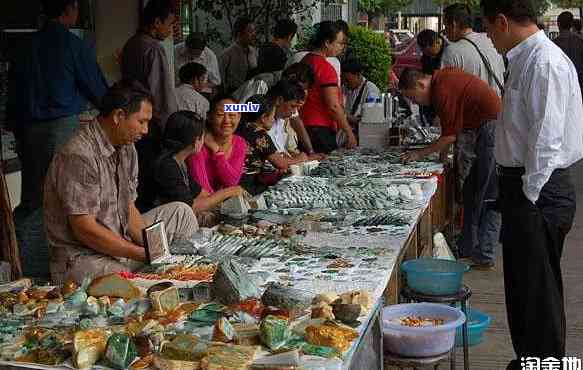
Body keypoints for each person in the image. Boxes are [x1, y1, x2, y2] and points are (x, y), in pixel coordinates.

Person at [481, 0, 583, 367]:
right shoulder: (524, 60)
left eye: (489, 29)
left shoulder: (544, 62)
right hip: (523, 187)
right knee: (522, 288)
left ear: (503, 22)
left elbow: (548, 139)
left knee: (539, 293)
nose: (489, 38)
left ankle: (544, 362)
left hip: (539, 190)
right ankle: (529, 360)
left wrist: (529, 195)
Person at [44, 82, 199, 285]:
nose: (145, 130)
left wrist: (157, 250)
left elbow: (128, 207)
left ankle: (161, 269)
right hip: (82, 257)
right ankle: (146, 275)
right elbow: (84, 229)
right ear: (118, 116)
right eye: (141, 122)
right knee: (132, 283)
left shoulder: (126, 147)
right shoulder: (79, 154)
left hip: (120, 240)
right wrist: (142, 254)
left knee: (182, 213)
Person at [7, 0, 108, 279]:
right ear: (70, 10)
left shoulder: (24, 46)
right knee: (62, 201)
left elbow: (11, 95)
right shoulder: (72, 45)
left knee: (31, 199)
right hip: (60, 127)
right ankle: (45, 272)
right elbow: (99, 91)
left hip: (26, 129)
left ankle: (21, 267)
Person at [399, 68, 501, 269]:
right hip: (483, 128)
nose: (416, 103)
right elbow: (450, 130)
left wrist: (419, 154)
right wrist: (441, 157)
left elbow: (449, 136)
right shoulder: (442, 81)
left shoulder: (442, 88)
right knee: (473, 190)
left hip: (491, 129)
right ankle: (469, 248)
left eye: (414, 97)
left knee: (486, 192)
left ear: (421, 84)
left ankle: (484, 253)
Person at [441, 2, 505, 268]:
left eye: (446, 25)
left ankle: (469, 245)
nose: (445, 31)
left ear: (455, 24)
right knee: (491, 189)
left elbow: (446, 95)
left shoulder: (453, 51)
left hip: (472, 129)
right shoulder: (491, 42)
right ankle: (484, 249)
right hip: (499, 122)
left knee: (470, 189)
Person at [120, 0, 178, 212]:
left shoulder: (131, 44)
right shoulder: (153, 48)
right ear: (156, 22)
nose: (171, 30)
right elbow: (162, 94)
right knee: (148, 180)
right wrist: (170, 128)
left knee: (136, 174)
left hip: (131, 118)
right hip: (151, 123)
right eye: (170, 24)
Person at [153, 111, 243, 226]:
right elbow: (191, 207)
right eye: (203, 137)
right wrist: (228, 192)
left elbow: (202, 193)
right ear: (195, 141)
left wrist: (223, 204)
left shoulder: (180, 162)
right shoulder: (167, 166)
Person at [299, 21, 357, 153]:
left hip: (304, 125)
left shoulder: (306, 60)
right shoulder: (325, 68)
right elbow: (334, 106)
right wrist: (349, 133)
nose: (342, 47)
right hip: (320, 128)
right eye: (340, 43)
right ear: (327, 42)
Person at [237, 95, 307, 195]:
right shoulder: (260, 135)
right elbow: (281, 164)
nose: (273, 120)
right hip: (247, 184)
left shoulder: (240, 128)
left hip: (235, 179)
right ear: (263, 118)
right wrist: (301, 158)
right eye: (272, 116)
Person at [188, 94, 247, 194]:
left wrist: (216, 150)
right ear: (209, 117)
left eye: (232, 115)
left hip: (224, 202)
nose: (227, 121)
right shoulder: (198, 145)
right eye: (220, 115)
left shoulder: (239, 142)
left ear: (239, 117)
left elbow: (232, 181)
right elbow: (203, 190)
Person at [265, 80, 314, 160]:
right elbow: (273, 162)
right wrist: (301, 159)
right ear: (279, 100)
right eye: (292, 106)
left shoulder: (281, 120)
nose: (294, 112)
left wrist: (308, 157)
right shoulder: (261, 121)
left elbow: (282, 153)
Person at [281, 63, 321, 158]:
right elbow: (241, 108)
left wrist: (311, 152)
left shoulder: (291, 99)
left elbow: (296, 121)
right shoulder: (262, 84)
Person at [219, 17, 258, 94]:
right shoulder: (227, 55)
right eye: (250, 31)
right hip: (234, 95)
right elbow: (221, 82)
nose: (254, 34)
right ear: (239, 34)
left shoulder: (254, 51)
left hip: (252, 94)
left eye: (254, 31)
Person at [176, 32, 221, 99]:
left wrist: (200, 85)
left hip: (201, 92)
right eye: (190, 52)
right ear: (186, 46)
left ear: (203, 49)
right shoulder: (175, 51)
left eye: (197, 54)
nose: (193, 57)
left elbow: (216, 81)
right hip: (178, 89)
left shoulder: (210, 56)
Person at [341, 60, 381, 129]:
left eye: (347, 80)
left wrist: (347, 116)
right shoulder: (344, 88)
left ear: (358, 75)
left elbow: (371, 119)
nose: (345, 83)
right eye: (343, 80)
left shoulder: (371, 91)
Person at [553, 11, 583, 97]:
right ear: (571, 24)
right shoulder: (580, 41)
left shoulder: (552, 45)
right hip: (579, 86)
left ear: (558, 24)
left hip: (560, 89)